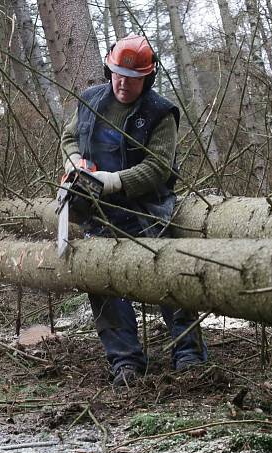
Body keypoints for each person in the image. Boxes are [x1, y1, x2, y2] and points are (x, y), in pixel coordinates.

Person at [60, 34, 207, 388]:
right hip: (98, 208)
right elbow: (69, 138)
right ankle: (125, 363)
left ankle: (188, 355)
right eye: (118, 74)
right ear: (108, 70)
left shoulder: (160, 113)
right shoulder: (92, 99)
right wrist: (75, 161)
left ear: (147, 77)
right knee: (103, 282)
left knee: (166, 275)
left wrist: (112, 181)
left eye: (133, 76)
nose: (123, 82)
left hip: (146, 208)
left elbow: (157, 168)